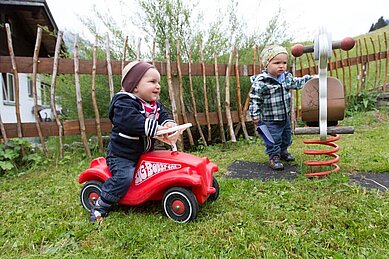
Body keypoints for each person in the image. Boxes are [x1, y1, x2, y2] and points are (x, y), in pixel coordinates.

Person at [90, 61, 176, 222]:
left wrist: (168, 124)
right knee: (124, 177)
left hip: (144, 152)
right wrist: (154, 128)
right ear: (134, 86)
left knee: (163, 165)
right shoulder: (123, 103)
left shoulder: (153, 105)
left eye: (158, 82)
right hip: (122, 155)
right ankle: (101, 204)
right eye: (152, 82)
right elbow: (132, 121)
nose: (158, 86)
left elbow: (162, 115)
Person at [249, 45, 312, 170]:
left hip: (285, 117)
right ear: (266, 64)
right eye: (277, 63)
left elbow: (297, 82)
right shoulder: (262, 82)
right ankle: (274, 157)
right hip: (270, 119)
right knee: (273, 139)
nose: (281, 66)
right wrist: (255, 116)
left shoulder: (286, 78)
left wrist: (310, 79)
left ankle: (283, 152)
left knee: (286, 137)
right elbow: (255, 100)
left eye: (284, 63)